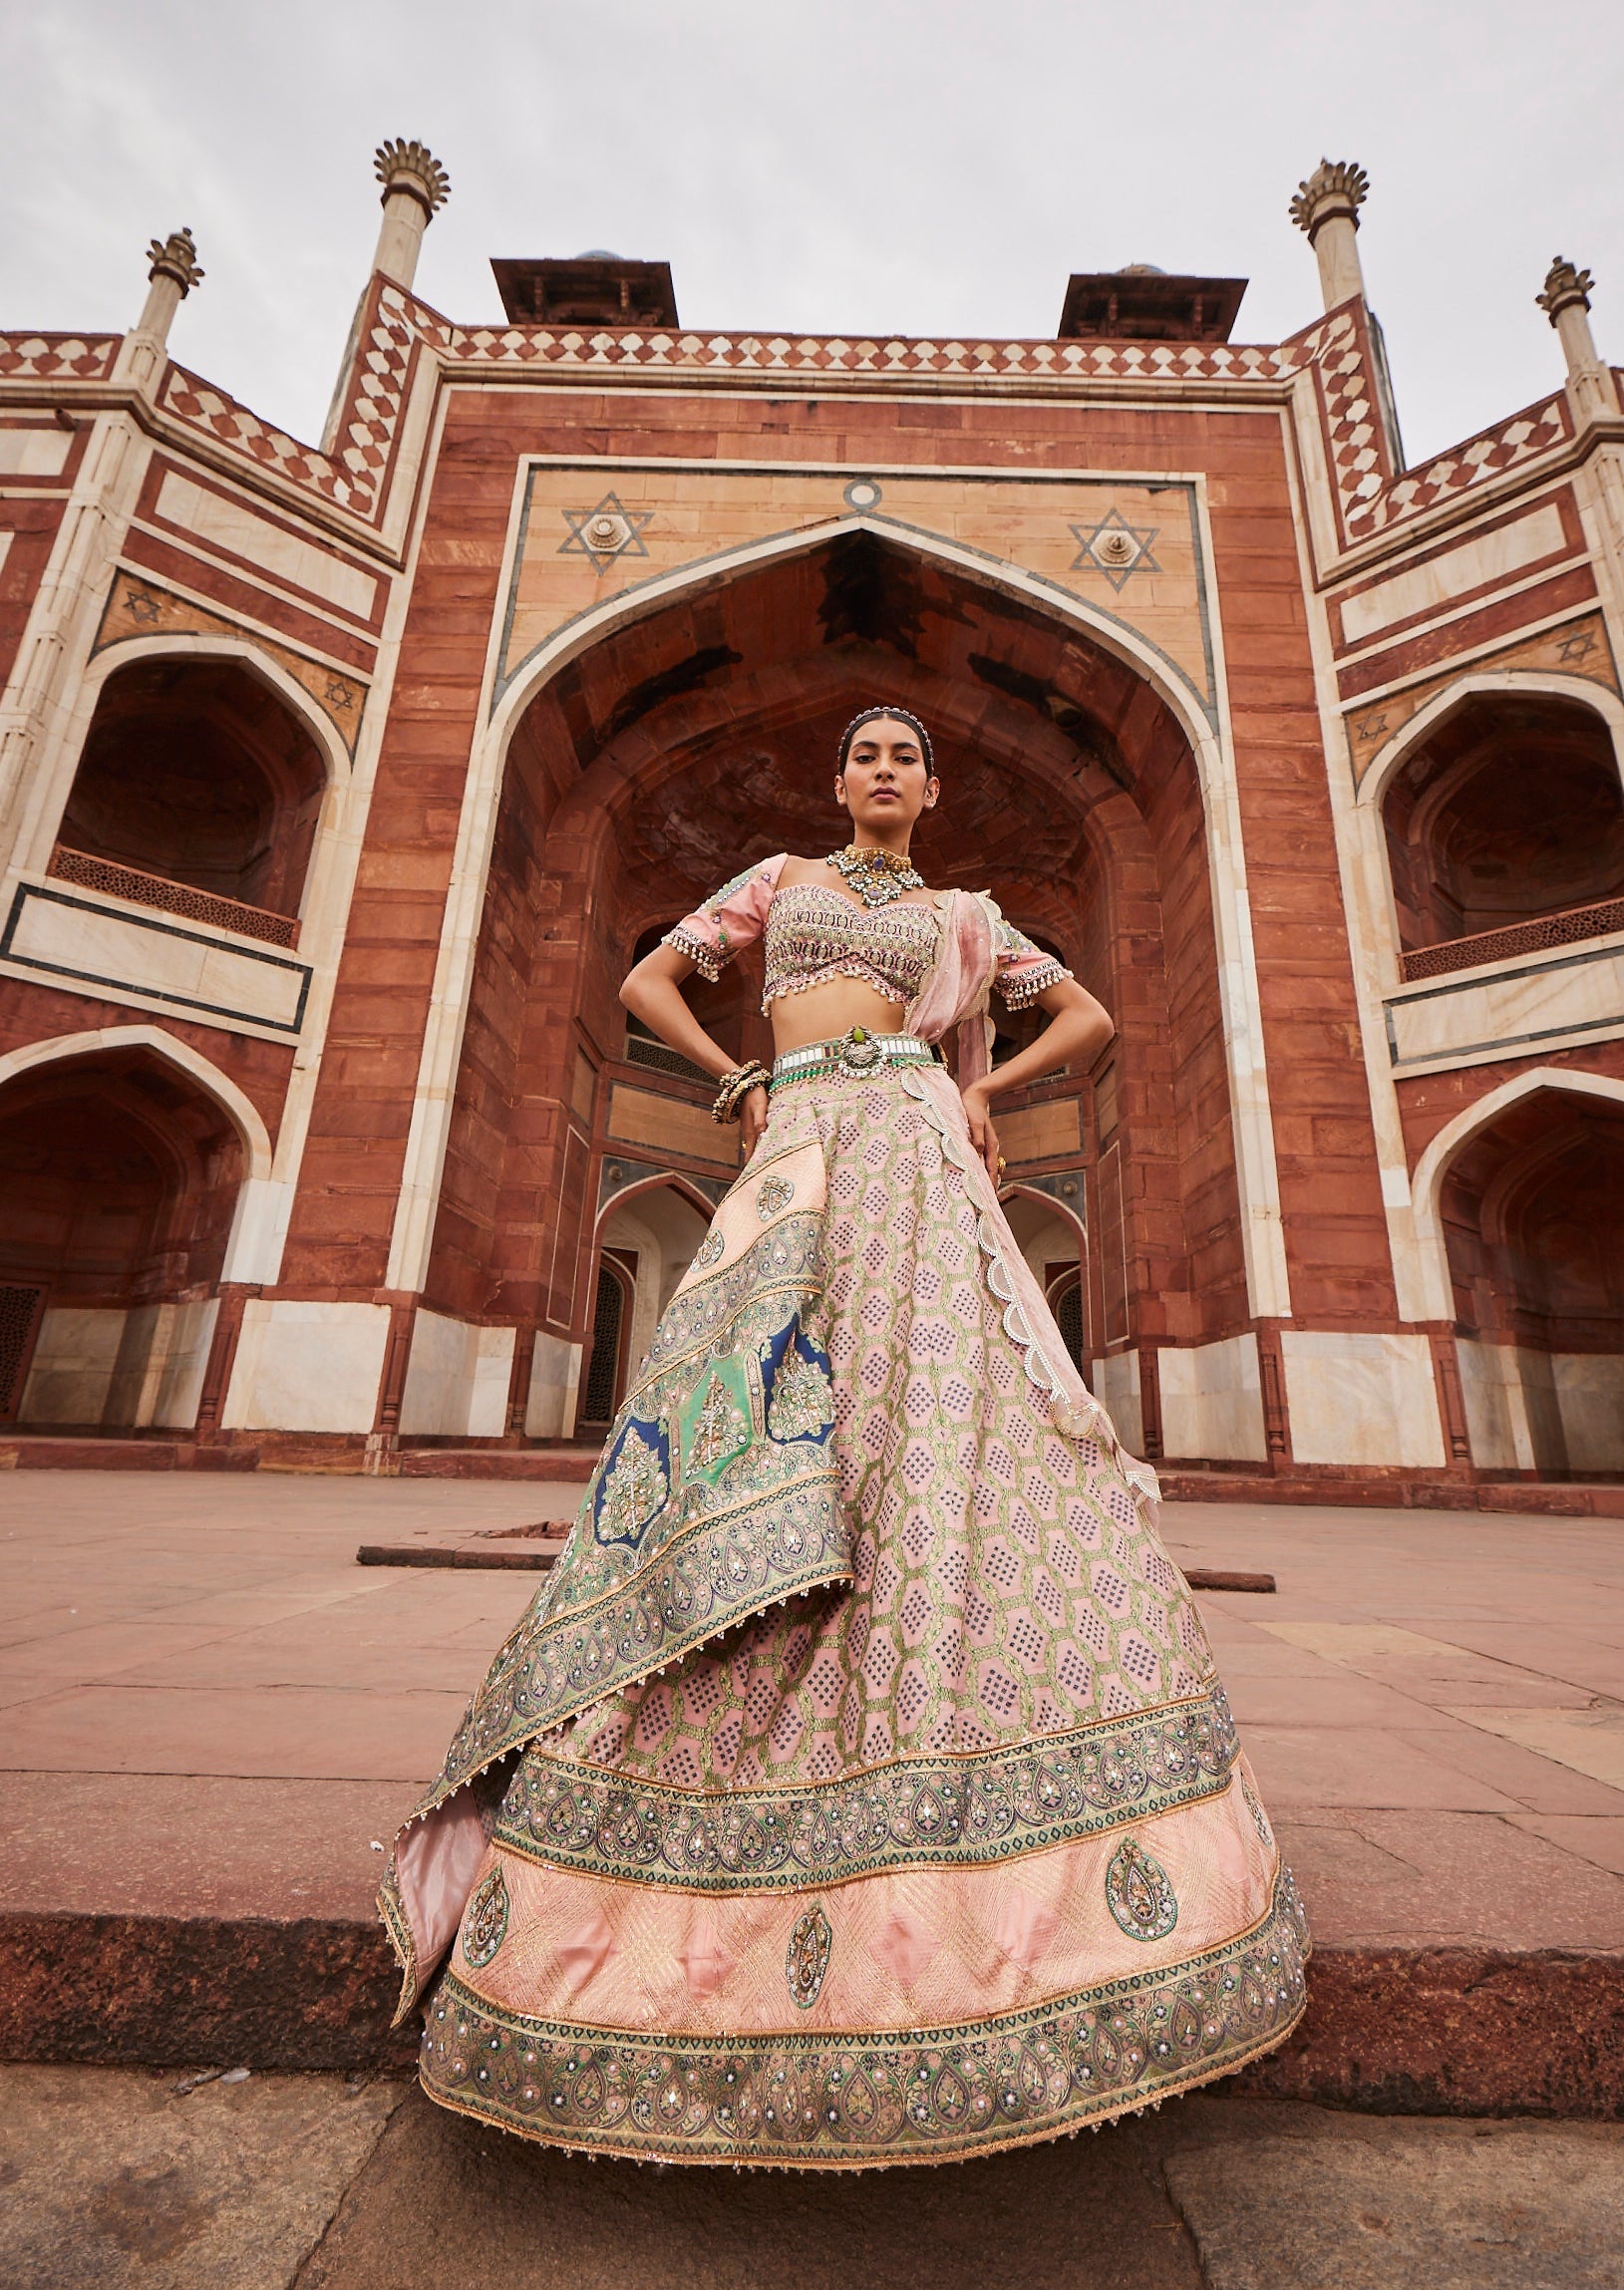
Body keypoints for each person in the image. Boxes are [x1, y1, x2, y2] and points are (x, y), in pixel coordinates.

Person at [380, 706, 1306, 2167]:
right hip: (797, 1140)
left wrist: (979, 1087)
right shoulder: (778, 881)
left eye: (904, 758)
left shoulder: (963, 915)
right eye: (864, 753)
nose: (882, 770)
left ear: (932, 790)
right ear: (839, 779)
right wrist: (736, 1077)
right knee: (742, 1413)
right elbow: (644, 980)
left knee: (931, 1413)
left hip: (916, 1142)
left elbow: (1091, 1018)